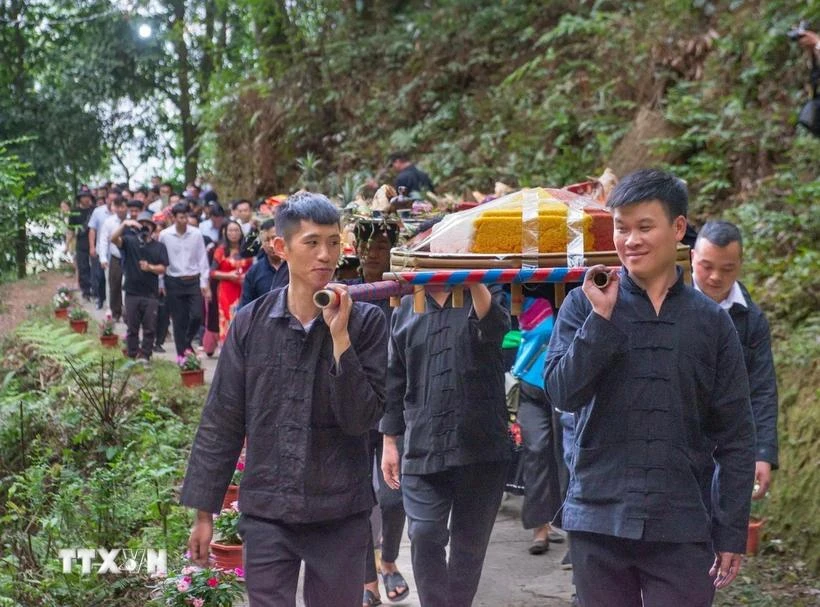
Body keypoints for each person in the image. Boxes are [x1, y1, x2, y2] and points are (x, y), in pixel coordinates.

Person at [544, 169, 755, 606]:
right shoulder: (585, 302)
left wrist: (731, 530)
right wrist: (600, 322)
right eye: (621, 228)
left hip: (682, 524)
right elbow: (562, 393)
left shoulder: (711, 322)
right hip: (598, 517)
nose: (630, 240)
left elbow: (736, 434)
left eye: (644, 227)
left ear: (678, 229)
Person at [181, 192, 388, 607]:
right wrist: (205, 514)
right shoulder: (250, 324)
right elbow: (222, 419)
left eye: (333, 242)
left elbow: (360, 418)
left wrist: (339, 337)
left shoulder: (366, 322)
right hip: (267, 511)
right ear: (282, 247)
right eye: (312, 242)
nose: (325, 255)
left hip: (340, 511)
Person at [381, 281, 510, 607]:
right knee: (423, 535)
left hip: (481, 448)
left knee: (469, 549)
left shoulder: (487, 292)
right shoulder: (408, 306)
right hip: (423, 446)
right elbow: (395, 378)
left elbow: (497, 332)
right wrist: (389, 441)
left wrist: (472, 277)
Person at [691, 220, 778, 498]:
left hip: (728, 445)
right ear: (692, 257)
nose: (715, 277)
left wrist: (762, 453)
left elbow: (761, 388)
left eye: (727, 268)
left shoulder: (751, 320)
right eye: (707, 266)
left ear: (739, 264)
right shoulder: (666, 302)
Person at [352, 220, 410, 607]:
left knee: (391, 498)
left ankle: (388, 560)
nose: (375, 251)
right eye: (369, 245)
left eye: (383, 244)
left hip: (396, 408)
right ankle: (367, 579)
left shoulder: (405, 293)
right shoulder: (344, 289)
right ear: (356, 249)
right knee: (358, 498)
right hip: (355, 407)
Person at [510, 297, 567, 555]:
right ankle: (539, 527)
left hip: (567, 388)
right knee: (537, 450)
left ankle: (570, 528)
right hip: (531, 387)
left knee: (566, 455)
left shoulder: (575, 294)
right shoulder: (521, 292)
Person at [111, 212, 169, 361]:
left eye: (148, 224)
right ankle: (131, 355)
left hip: (150, 293)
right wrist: (124, 225)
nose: (145, 227)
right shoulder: (130, 241)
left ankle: (145, 355)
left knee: (149, 327)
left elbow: (163, 268)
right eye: (142, 224)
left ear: (153, 228)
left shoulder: (159, 246)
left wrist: (150, 268)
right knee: (132, 327)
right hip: (131, 291)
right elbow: (112, 239)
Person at [159, 202, 211, 356]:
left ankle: (186, 342)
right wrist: (161, 282)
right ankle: (182, 354)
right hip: (173, 280)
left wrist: (204, 281)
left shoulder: (196, 234)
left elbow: (202, 258)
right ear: (174, 218)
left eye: (186, 217)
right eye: (181, 217)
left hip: (193, 279)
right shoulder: (165, 235)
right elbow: (162, 259)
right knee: (178, 319)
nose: (184, 220)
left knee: (196, 315)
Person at [210, 219, 253, 341]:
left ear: (241, 232)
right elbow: (212, 272)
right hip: (226, 289)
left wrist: (247, 276)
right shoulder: (221, 251)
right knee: (227, 317)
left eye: (236, 230)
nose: (233, 233)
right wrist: (228, 275)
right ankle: (227, 346)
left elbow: (254, 267)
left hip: (244, 288)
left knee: (244, 317)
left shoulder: (248, 249)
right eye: (230, 230)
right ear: (226, 233)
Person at [238, 218, 290, 310]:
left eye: (274, 238)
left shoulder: (297, 266)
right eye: (266, 240)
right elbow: (245, 307)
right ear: (262, 243)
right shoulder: (254, 272)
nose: (271, 245)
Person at [98, 197, 128, 322]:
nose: (121, 209)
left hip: (130, 257)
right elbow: (104, 240)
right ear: (115, 208)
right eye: (119, 206)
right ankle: (115, 312)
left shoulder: (132, 220)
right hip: (115, 257)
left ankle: (128, 313)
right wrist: (103, 258)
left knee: (128, 285)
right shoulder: (109, 222)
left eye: (123, 206)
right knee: (114, 284)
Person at [87, 190, 116, 309]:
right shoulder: (98, 212)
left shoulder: (120, 213)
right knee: (100, 276)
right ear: (106, 199)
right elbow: (92, 230)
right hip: (101, 249)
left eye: (115, 200)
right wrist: (92, 246)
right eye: (110, 199)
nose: (112, 202)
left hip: (116, 251)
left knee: (114, 278)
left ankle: (114, 303)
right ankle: (100, 298)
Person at [69, 189, 95, 300]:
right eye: (84, 197)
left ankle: (96, 289)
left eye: (88, 196)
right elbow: (70, 229)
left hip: (94, 241)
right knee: (83, 266)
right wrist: (67, 244)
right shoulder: (74, 212)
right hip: (81, 242)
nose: (86, 198)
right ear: (80, 199)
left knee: (95, 267)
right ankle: (86, 291)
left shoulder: (94, 210)